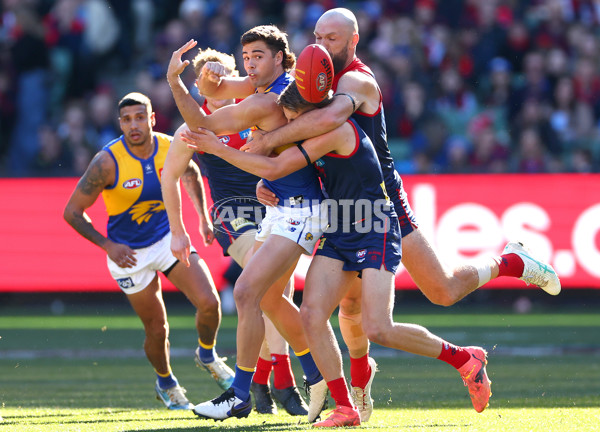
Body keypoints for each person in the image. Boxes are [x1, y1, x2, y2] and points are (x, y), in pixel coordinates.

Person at [241, 8, 561, 422]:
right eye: (318, 36)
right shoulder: (313, 78)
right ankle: (355, 391)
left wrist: (265, 143)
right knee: (347, 308)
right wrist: (270, 177)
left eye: (333, 38)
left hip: (380, 201)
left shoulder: (357, 79)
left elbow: (329, 120)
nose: (322, 44)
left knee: (440, 292)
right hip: (339, 206)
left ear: (353, 41)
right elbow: (297, 135)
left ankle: (510, 262)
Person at [181, 80, 492, 428]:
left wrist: (233, 152)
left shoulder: (335, 131)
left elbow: (277, 165)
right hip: (339, 228)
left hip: (374, 225)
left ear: (309, 115)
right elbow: (287, 172)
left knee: (379, 328)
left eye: (292, 118)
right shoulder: (314, 133)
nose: (288, 125)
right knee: (313, 314)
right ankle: (345, 406)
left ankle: (464, 358)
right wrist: (265, 184)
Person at [166, 25, 328, 422]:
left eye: (259, 56)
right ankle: (320, 378)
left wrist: (174, 81)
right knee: (270, 299)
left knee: (245, 292)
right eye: (247, 57)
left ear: (280, 58)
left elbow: (203, 126)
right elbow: (219, 92)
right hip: (279, 205)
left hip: (300, 209)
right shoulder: (273, 85)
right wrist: (208, 79)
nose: (250, 64)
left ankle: (240, 393)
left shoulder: (267, 101)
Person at [63, 92, 234, 411]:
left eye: (140, 117)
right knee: (157, 329)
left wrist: (203, 218)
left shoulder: (171, 145)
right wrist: (108, 245)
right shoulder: (106, 161)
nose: (134, 125)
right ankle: (166, 381)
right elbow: (72, 211)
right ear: (120, 124)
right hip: (129, 255)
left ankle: (207, 354)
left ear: (153, 118)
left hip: (167, 239)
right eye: (127, 119)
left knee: (210, 303)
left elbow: (191, 173)